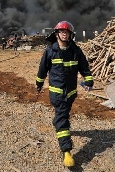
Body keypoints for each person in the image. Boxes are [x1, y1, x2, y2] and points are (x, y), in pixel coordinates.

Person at [35, 21, 94, 168]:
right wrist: (39, 83)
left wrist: (89, 81)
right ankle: (66, 150)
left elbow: (84, 67)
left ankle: (58, 122)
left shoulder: (76, 51)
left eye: (66, 32)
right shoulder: (50, 51)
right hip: (57, 92)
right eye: (61, 32)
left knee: (63, 114)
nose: (64, 34)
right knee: (63, 119)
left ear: (70, 34)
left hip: (71, 93)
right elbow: (42, 69)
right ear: (56, 34)